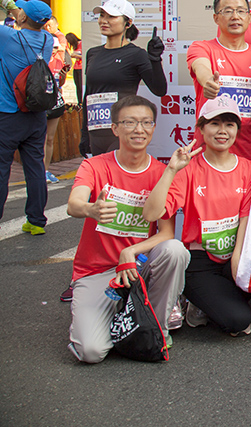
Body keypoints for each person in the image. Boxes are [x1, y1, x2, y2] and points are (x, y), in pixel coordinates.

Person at [65, 95, 188, 362]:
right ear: (115, 128)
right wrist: (90, 209)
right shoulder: (94, 165)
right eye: (129, 122)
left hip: (139, 266)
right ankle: (116, 314)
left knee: (175, 251)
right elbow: (74, 204)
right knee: (91, 352)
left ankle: (156, 326)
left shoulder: (165, 171)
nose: (139, 129)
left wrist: (130, 251)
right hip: (97, 271)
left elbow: (166, 233)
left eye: (146, 122)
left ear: (153, 127)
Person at [142, 97, 251, 336]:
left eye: (229, 124)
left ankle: (208, 301)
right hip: (200, 261)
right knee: (238, 321)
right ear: (201, 129)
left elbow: (246, 218)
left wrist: (237, 260)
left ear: (237, 130)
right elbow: (151, 214)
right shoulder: (189, 168)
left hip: (234, 255)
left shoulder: (248, 168)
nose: (222, 131)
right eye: (215, 124)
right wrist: (171, 170)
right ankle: (196, 298)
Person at [187, 0, 251, 162]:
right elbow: (201, 67)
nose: (235, 16)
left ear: (249, 18)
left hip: (248, 153)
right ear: (216, 18)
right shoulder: (202, 48)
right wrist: (208, 82)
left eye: (241, 11)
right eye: (228, 11)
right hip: (208, 152)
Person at [80, 0, 166, 156]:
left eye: (111, 17)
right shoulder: (92, 53)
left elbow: (159, 89)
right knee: (101, 173)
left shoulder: (136, 54)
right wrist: (84, 133)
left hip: (123, 131)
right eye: (102, 15)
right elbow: (89, 94)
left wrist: (155, 59)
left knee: (118, 171)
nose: (104, 21)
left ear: (128, 23)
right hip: (96, 131)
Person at [0, 0, 54, 234]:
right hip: (36, 114)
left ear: (22, 18)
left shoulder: (8, 37)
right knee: (35, 167)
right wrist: (16, 10)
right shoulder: (47, 40)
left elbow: (17, 17)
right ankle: (36, 220)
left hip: (8, 114)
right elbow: (26, 19)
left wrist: (5, 0)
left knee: (2, 169)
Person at [43, 17, 71, 184]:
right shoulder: (39, 60)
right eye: (51, 48)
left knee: (50, 138)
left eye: (56, 48)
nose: (54, 51)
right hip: (39, 102)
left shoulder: (59, 60)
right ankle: (37, 171)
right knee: (38, 138)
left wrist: (62, 76)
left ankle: (45, 170)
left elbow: (60, 82)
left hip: (55, 101)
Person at [66, 32, 83, 104]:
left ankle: (82, 101)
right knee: (77, 86)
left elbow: (84, 55)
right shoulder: (74, 46)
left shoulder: (81, 43)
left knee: (81, 85)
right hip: (76, 67)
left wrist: (76, 55)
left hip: (81, 67)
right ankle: (79, 101)